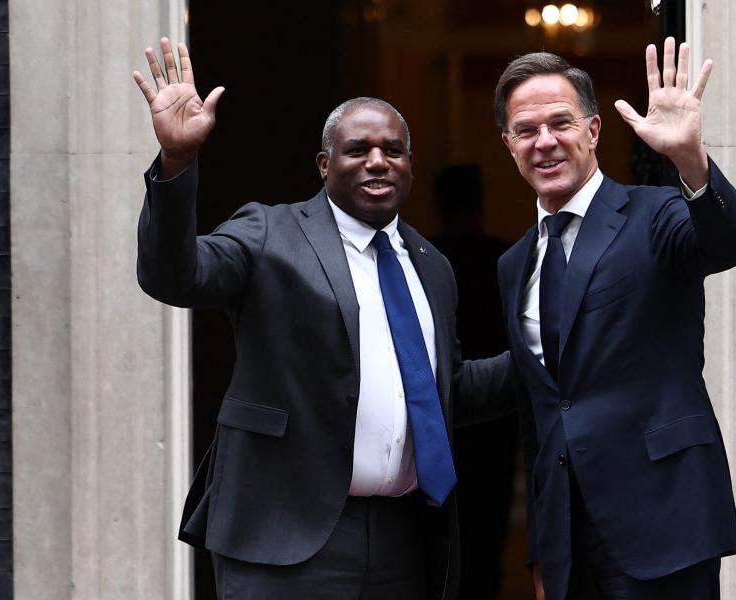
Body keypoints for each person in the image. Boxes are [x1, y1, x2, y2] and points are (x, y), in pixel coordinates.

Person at [132, 38, 510, 600]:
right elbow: (174, 277)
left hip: (403, 539)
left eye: (394, 149)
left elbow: (444, 392)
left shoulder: (432, 265)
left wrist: (547, 347)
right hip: (285, 536)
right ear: (324, 164)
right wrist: (178, 163)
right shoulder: (270, 232)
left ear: (410, 164)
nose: (378, 161)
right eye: (358, 149)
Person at [493, 39, 736, 599]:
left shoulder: (653, 213)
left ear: (593, 131)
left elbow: (731, 243)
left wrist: (690, 159)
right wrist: (541, 549)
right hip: (569, 541)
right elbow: (540, 415)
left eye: (560, 123)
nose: (545, 141)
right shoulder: (514, 263)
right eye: (526, 130)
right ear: (509, 146)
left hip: (663, 521)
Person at [430, 165, 518, 600]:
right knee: (487, 530)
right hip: (493, 418)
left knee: (447, 534)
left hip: (444, 416)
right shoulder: (498, 258)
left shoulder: (426, 257)